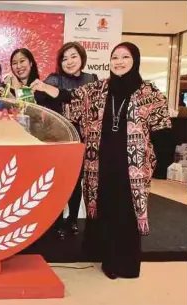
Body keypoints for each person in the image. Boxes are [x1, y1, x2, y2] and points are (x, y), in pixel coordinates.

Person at [29, 42, 172, 279]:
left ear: (135, 60)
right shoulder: (98, 89)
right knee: (105, 206)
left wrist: (157, 164)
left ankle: (123, 263)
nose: (119, 61)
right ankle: (105, 256)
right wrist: (44, 86)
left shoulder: (149, 93)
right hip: (101, 161)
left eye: (125, 57)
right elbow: (70, 97)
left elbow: (163, 130)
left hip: (132, 166)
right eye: (115, 57)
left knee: (125, 212)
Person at [42, 42, 98, 240]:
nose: (69, 62)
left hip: (84, 140)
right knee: (58, 181)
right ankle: (55, 220)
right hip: (60, 139)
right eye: (64, 58)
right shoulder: (54, 79)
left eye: (73, 56)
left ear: (82, 58)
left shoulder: (92, 79)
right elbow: (40, 99)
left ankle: (72, 219)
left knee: (76, 182)